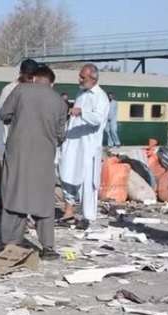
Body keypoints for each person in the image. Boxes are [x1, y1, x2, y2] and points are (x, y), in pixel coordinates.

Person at [0, 65, 67, 260]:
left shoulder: (20, 90)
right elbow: (61, 135)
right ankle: (48, 247)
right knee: (43, 201)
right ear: (52, 82)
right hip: (45, 156)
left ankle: (11, 244)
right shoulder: (60, 102)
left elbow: (4, 114)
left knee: (14, 196)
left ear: (34, 78)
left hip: (17, 154)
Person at [58, 63, 109, 230]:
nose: (79, 80)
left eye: (83, 77)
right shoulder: (81, 93)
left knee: (86, 182)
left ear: (93, 79)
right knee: (67, 174)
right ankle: (69, 212)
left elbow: (97, 119)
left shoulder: (100, 96)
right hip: (72, 142)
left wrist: (81, 113)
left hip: (87, 146)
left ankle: (87, 217)